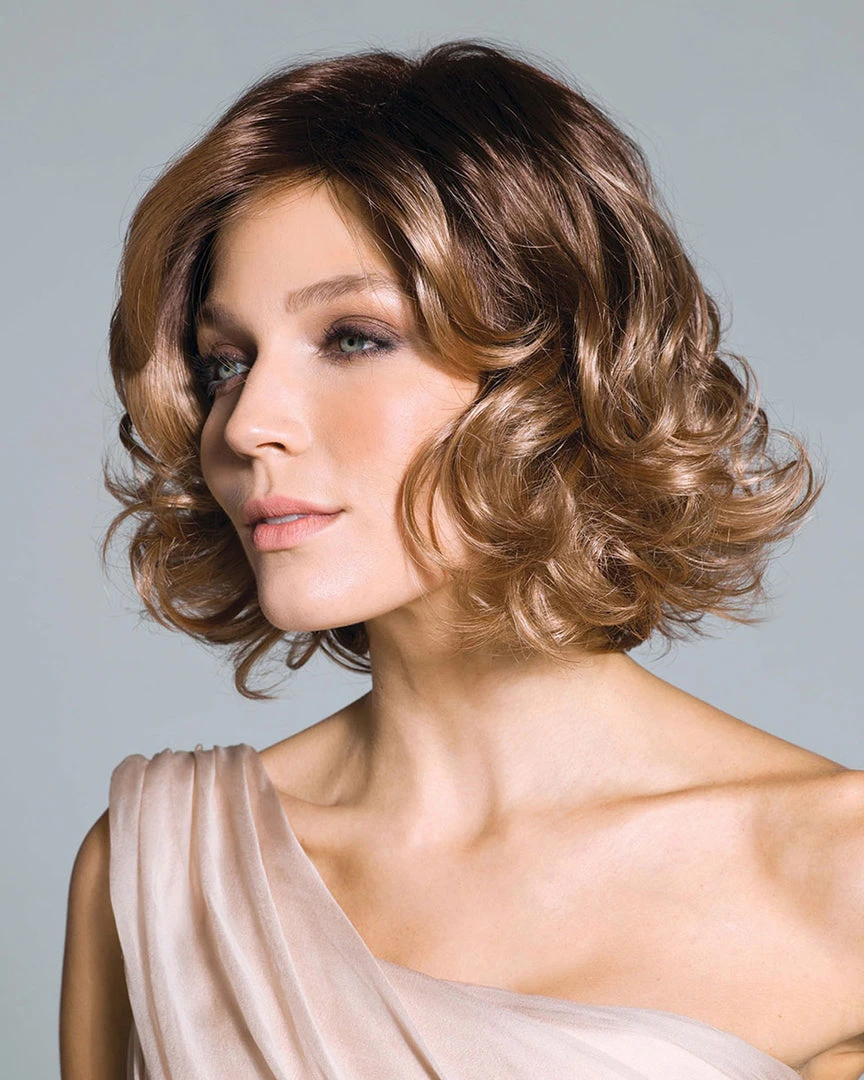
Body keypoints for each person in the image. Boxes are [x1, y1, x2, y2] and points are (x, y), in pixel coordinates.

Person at [60, 38, 864, 1080]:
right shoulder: (157, 873)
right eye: (225, 363)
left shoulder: (836, 873)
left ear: (559, 369)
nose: (247, 423)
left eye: (353, 338)